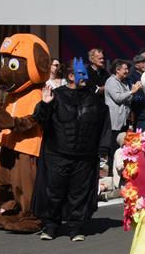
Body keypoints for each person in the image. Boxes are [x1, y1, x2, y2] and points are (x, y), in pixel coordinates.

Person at [33, 60, 110, 241]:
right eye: (81, 74)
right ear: (70, 76)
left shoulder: (94, 99)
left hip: (84, 156)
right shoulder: (55, 96)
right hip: (57, 154)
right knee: (54, 190)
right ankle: (51, 226)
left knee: (79, 192)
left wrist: (103, 148)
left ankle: (76, 227)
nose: (85, 78)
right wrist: (45, 104)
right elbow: (40, 120)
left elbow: (104, 123)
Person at [104, 59, 142, 157]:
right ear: (117, 70)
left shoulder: (124, 82)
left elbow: (128, 99)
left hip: (124, 121)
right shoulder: (111, 82)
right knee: (114, 148)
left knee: (122, 148)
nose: (127, 71)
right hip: (115, 122)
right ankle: (112, 170)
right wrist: (131, 92)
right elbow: (118, 98)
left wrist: (135, 91)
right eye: (125, 69)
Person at [127, 54, 145, 130]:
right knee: (140, 137)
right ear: (136, 65)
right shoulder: (132, 78)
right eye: (143, 62)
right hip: (140, 114)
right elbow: (134, 96)